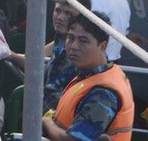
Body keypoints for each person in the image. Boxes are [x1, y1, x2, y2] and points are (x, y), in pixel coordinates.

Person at [42, 13, 134, 141]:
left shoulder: (103, 93)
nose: (74, 46)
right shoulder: (92, 74)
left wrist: (47, 123)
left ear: (102, 46)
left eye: (83, 41)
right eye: (70, 38)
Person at [9, 0, 92, 112]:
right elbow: (35, 60)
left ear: (82, 18)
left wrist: (12, 56)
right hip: (46, 114)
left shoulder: (76, 52)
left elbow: (35, 71)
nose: (60, 17)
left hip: (59, 116)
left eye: (68, 14)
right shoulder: (60, 38)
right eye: (58, 10)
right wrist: (11, 56)